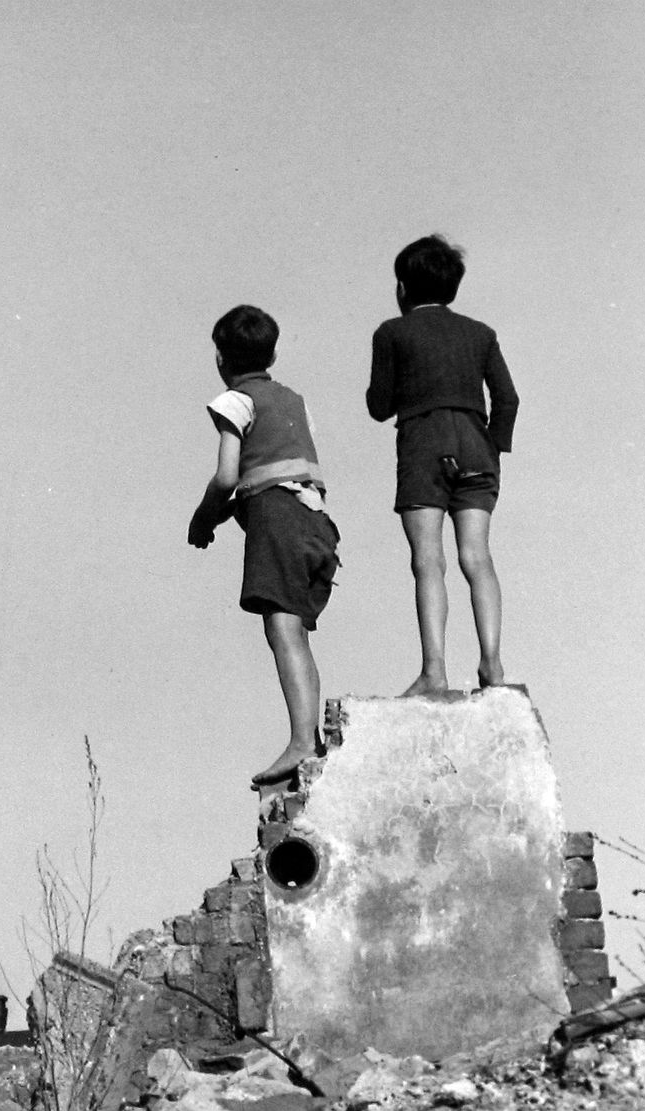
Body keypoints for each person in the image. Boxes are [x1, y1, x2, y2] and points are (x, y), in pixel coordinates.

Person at [188, 305, 340, 788]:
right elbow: (276, 471)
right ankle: (310, 739)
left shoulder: (236, 401)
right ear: (272, 353)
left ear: (219, 358)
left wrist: (204, 516)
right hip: (316, 522)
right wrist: (233, 511)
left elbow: (228, 476)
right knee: (296, 631)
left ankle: (300, 741)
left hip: (278, 524)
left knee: (282, 631)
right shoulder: (294, 400)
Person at [366, 234, 519, 695]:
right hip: (476, 445)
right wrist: (493, 446)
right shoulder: (480, 333)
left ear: (402, 288)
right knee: (477, 556)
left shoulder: (392, 332)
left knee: (428, 560)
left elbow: (379, 405)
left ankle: (434, 670)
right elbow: (508, 399)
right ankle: (492, 666)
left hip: (423, 445)